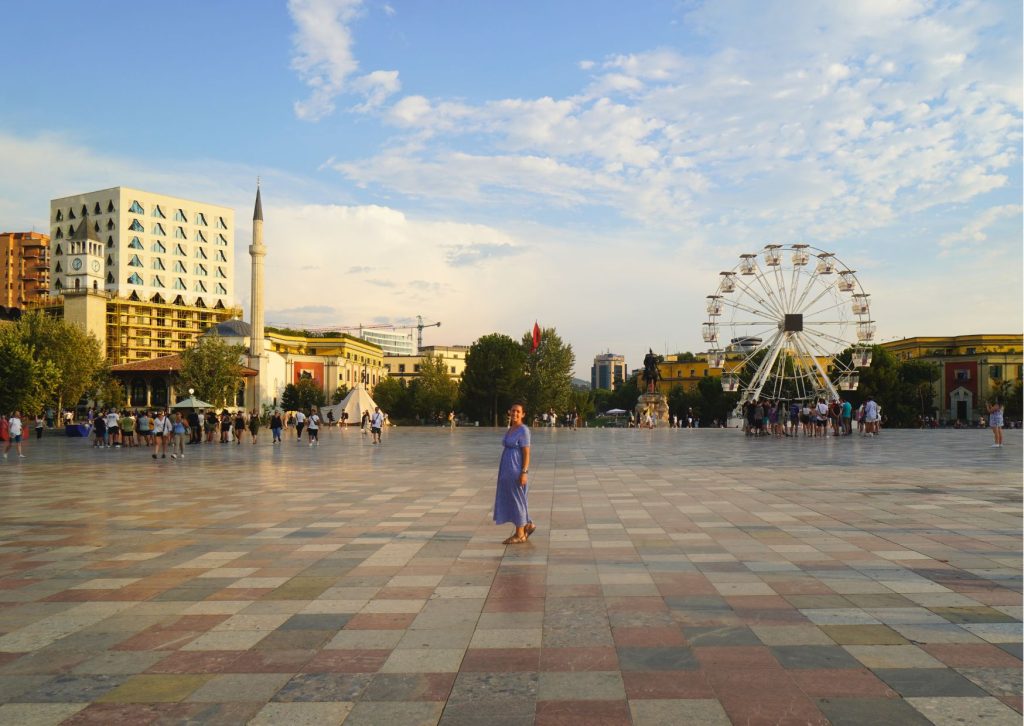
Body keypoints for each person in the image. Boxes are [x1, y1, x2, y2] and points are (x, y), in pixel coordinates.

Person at [493, 402, 534, 545]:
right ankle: (528, 524)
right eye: (513, 411)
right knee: (516, 499)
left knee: (518, 500)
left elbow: (527, 453)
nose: (515, 414)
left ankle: (520, 534)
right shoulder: (511, 429)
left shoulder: (523, 430)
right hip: (507, 469)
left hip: (516, 469)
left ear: (523, 414)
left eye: (518, 411)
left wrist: (524, 472)